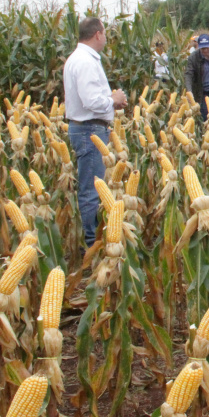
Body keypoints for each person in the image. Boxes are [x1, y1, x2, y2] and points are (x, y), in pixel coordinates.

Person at [63, 16, 128, 247]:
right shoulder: (85, 61)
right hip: (89, 130)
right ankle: (92, 245)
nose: (106, 38)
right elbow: (91, 101)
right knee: (92, 190)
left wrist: (112, 103)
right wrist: (113, 99)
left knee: (95, 187)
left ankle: (94, 240)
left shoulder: (79, 58)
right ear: (97, 34)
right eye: (105, 34)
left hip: (88, 128)